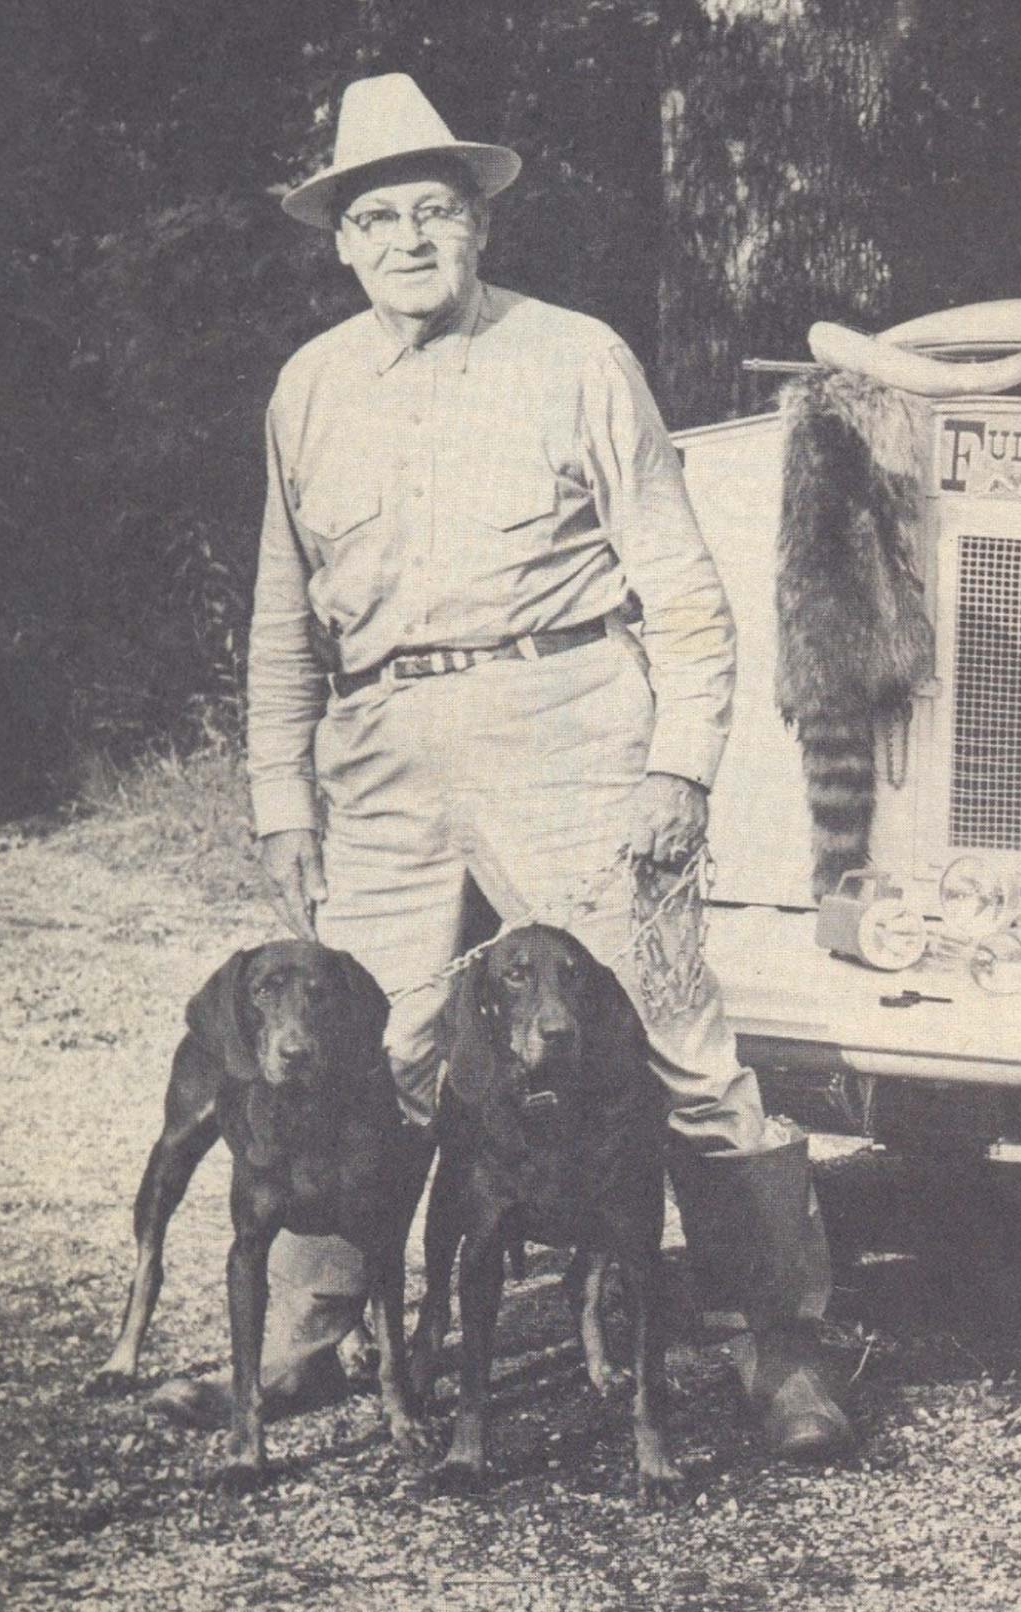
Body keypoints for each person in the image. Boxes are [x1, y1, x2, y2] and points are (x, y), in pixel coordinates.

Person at [148, 73, 853, 1463]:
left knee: (673, 1044)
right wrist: (280, 793)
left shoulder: (576, 358)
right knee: (364, 1047)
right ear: (341, 243)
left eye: (435, 211)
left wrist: (679, 770)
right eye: (378, 217)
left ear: (479, 225)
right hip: (385, 757)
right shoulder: (308, 388)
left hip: (570, 728)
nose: (409, 239)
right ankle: (318, 1327)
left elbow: (686, 592)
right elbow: (283, 621)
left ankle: (783, 1341)